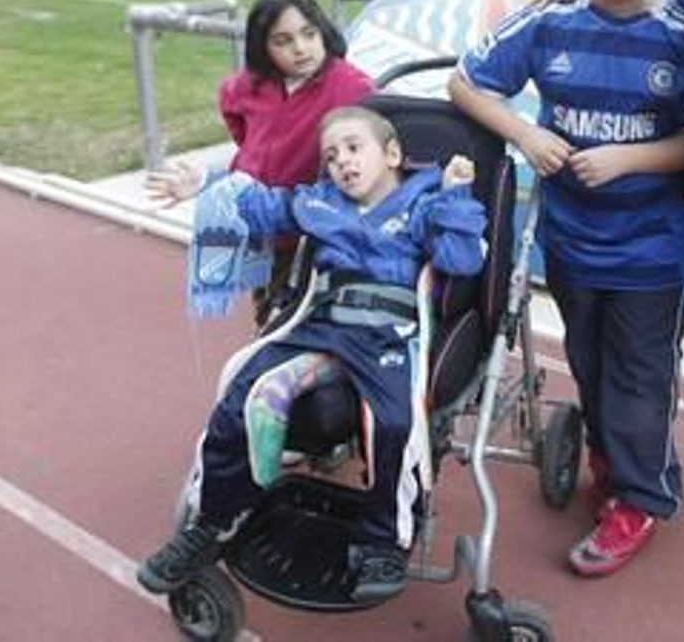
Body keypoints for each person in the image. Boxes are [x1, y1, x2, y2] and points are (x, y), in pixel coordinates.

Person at [448, 0, 684, 578]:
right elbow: (465, 83)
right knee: (590, 364)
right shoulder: (549, 21)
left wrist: (629, 159)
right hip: (571, 241)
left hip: (650, 250)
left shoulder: (677, 34)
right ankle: (611, 464)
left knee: (641, 376)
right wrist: (526, 134)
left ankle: (642, 498)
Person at [135, 105, 487, 604]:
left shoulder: (424, 205)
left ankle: (384, 541)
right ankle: (215, 520)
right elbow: (262, 206)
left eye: (353, 148)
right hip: (318, 328)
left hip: (386, 335)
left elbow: (462, 259)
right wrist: (209, 182)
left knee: (392, 424)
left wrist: (456, 195)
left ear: (392, 155)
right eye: (332, 155)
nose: (342, 161)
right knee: (242, 397)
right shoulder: (319, 201)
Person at [220, 0, 375, 326]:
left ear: (323, 32)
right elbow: (232, 107)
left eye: (309, 34)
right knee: (264, 298)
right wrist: (251, 157)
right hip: (256, 220)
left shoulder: (352, 88)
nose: (301, 48)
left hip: (307, 225)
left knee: (295, 311)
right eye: (283, 41)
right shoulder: (251, 84)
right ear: (263, 47)